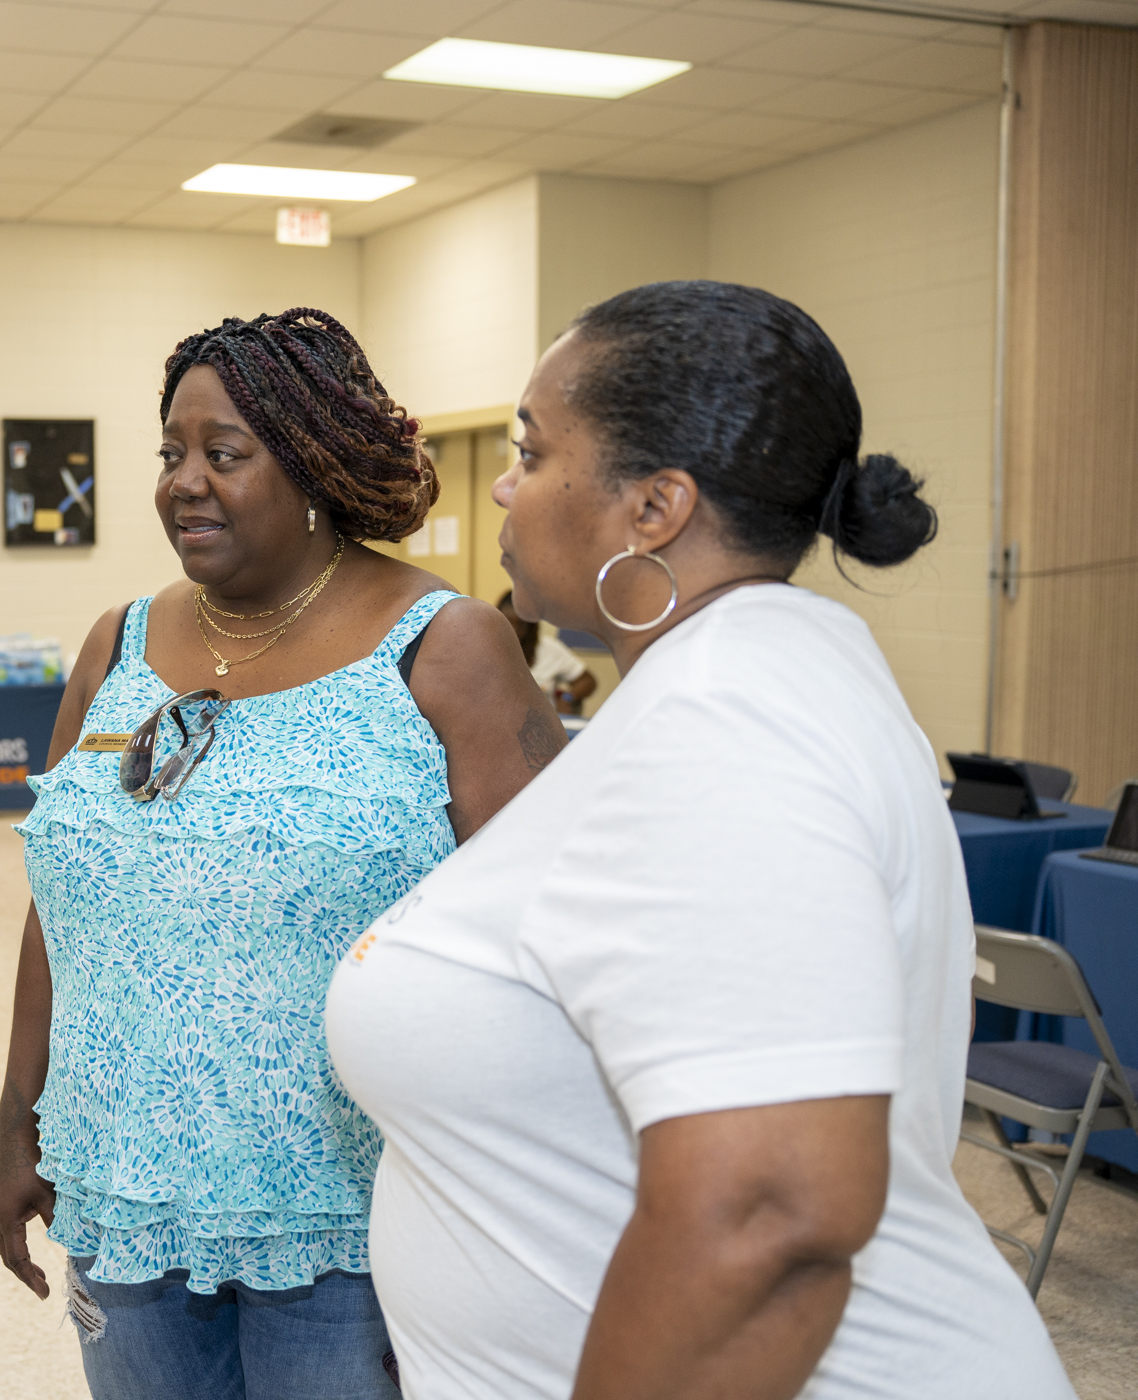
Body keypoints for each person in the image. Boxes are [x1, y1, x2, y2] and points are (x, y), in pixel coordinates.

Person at [326, 282, 1075, 1399]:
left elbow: (772, 1211)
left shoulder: (726, 718)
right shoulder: (752, 674)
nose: (504, 483)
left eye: (532, 450)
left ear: (655, 507)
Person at [0, 309, 559, 1399]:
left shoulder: (442, 647)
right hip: (127, 1195)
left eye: (224, 452)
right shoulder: (116, 642)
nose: (183, 481)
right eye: (170, 451)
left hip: (352, 1209)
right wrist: (22, 1121)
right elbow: (58, 907)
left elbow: (540, 948)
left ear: (313, 467)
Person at [496, 589, 596, 714]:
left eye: (520, 624)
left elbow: (588, 681)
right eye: (508, 623)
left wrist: (567, 698)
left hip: (543, 726)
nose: (514, 630)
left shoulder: (549, 649)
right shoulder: (487, 649)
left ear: (530, 626)